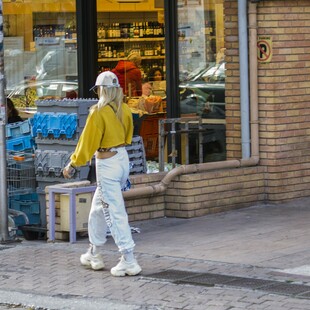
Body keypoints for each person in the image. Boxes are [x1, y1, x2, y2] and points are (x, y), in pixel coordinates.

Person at [62, 71, 142, 277]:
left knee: (113, 211)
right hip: (122, 160)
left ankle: (129, 258)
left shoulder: (97, 112)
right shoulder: (124, 109)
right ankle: (94, 252)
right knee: (99, 208)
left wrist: (73, 163)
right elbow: (128, 136)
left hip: (107, 163)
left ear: (102, 90)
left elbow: (88, 142)